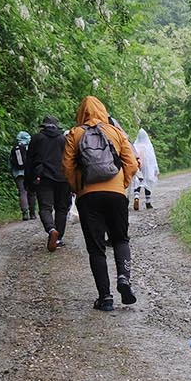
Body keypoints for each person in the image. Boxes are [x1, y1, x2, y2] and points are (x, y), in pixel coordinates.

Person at [61, 96, 140, 311]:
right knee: (120, 239)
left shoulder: (74, 134)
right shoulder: (115, 132)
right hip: (116, 194)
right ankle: (124, 278)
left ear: (81, 113)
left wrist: (79, 188)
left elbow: (67, 168)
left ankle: (105, 298)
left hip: (88, 196)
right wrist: (121, 183)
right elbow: (132, 162)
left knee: (96, 248)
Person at [28, 115, 71, 251]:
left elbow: (29, 161)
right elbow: (69, 159)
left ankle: (51, 229)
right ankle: (58, 238)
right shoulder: (63, 139)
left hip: (43, 178)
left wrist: (29, 183)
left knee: (45, 208)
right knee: (62, 209)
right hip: (63, 178)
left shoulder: (37, 138)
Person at [9, 130, 37, 221]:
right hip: (30, 172)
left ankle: (25, 213)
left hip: (18, 174)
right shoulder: (30, 147)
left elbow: (10, 162)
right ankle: (32, 213)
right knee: (32, 192)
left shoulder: (15, 148)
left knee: (22, 192)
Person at [130, 126, 160, 211]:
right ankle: (148, 202)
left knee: (137, 182)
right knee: (147, 183)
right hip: (147, 168)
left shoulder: (135, 146)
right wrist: (155, 169)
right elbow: (153, 158)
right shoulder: (148, 146)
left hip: (138, 167)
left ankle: (136, 197)